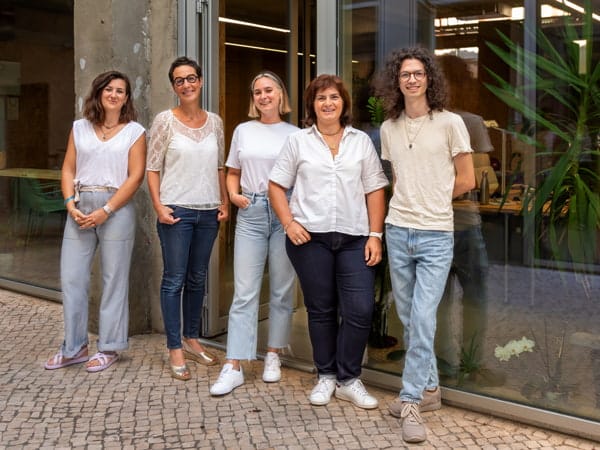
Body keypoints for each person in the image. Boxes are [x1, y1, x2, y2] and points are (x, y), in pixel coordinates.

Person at [269, 74, 388, 410]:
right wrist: (288, 223)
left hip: (354, 239)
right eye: (321, 98)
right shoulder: (298, 142)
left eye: (334, 97)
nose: (328, 103)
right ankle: (326, 375)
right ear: (312, 106)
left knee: (360, 309)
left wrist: (375, 235)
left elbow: (375, 189)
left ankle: (349, 378)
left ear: (343, 103)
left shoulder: (360, 141)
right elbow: (276, 186)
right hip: (310, 240)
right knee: (320, 310)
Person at [375, 47, 475, 443]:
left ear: (429, 78)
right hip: (399, 230)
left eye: (418, 73)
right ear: (396, 82)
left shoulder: (451, 123)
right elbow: (398, 179)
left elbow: (466, 179)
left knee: (423, 317)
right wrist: (410, 201)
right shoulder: (389, 128)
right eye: (405, 74)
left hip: (436, 233)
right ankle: (432, 390)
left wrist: (432, 199)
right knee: (409, 314)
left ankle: (412, 399)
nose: (412, 79)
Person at [45, 71, 146, 372]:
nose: (114, 94)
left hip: (117, 207)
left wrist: (108, 209)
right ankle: (74, 347)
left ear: (127, 98)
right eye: (109, 89)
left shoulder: (135, 132)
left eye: (121, 91)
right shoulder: (80, 128)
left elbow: (136, 176)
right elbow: (67, 169)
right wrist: (69, 204)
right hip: (79, 206)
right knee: (72, 278)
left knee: (114, 279)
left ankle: (110, 347)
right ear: (99, 93)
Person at [209, 71, 299, 396]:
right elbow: (233, 173)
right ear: (254, 98)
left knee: (281, 288)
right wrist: (232, 196)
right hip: (251, 212)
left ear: (280, 94)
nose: (263, 96)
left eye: (269, 90)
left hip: (284, 211)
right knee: (245, 291)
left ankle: (273, 354)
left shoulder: (295, 134)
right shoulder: (243, 131)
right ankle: (234, 363)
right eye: (257, 91)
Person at [147, 56, 229, 381]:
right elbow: (153, 169)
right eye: (179, 80)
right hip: (176, 211)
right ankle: (174, 348)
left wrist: (223, 201)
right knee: (174, 280)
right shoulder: (164, 121)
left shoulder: (216, 122)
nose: (186, 84)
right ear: (174, 86)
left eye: (191, 78)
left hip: (208, 211)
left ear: (201, 81)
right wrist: (158, 206)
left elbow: (220, 166)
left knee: (198, 279)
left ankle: (192, 338)